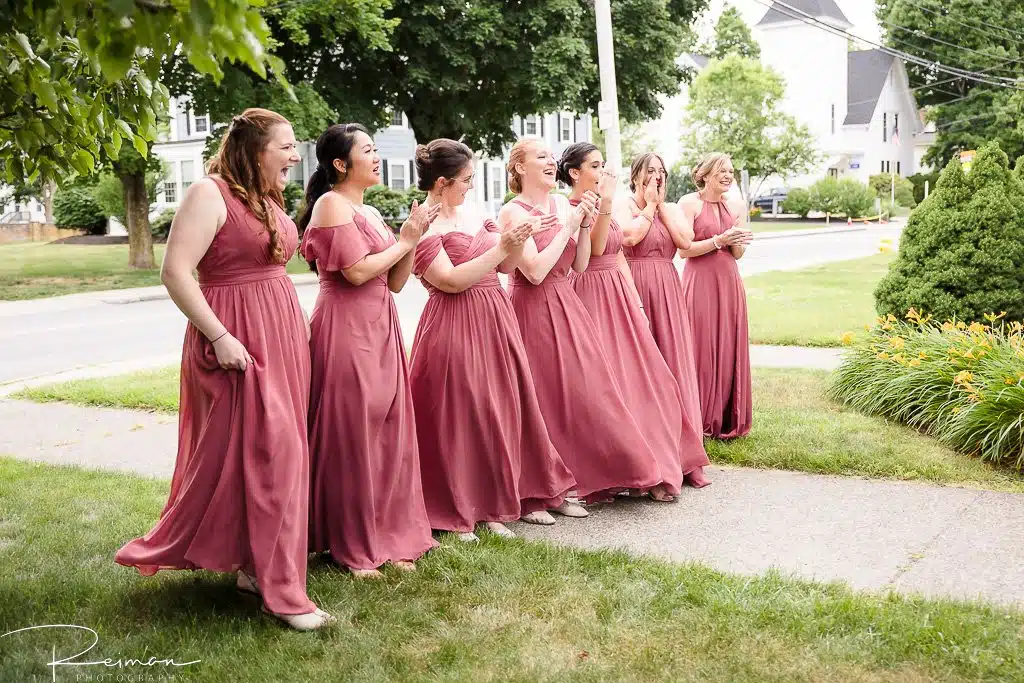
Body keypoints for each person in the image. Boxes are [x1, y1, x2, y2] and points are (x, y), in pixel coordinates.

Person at [115, 108, 334, 631]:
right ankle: (282, 592)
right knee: (268, 454)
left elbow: (271, 268)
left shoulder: (265, 197)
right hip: (233, 337)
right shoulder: (209, 194)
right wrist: (220, 335)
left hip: (278, 336)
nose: (295, 155)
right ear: (256, 149)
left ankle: (256, 568)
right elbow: (176, 272)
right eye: (285, 146)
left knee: (271, 454)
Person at [410, 138, 582, 540]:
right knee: (460, 413)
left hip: (495, 316)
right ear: (441, 182)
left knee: (498, 408)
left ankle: (492, 504)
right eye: (466, 179)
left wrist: (518, 239)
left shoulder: (474, 212)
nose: (471, 186)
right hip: (454, 320)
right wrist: (503, 246)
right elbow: (450, 281)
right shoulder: (424, 223)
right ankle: (457, 507)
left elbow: (506, 265)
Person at [499, 138, 677, 506]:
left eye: (551, 156)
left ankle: (598, 473)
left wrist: (579, 226)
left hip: (567, 298)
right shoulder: (513, 212)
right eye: (541, 157)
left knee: (583, 391)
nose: (551, 162)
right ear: (519, 167)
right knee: (546, 393)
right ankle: (546, 485)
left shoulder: (560, 203)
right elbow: (533, 272)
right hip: (531, 305)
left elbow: (580, 263)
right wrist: (570, 225)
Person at [298, 123, 439, 577]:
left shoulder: (373, 213)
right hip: (345, 328)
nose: (377, 157)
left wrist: (412, 239)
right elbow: (356, 273)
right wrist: (404, 240)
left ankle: (388, 535)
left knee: (387, 431)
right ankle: (351, 544)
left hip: (381, 325)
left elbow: (394, 282)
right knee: (353, 433)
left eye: (377, 149)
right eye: (367, 150)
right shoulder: (331, 204)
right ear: (341, 164)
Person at [560, 142, 686, 499]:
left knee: (647, 380)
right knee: (607, 386)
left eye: (603, 166)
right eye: (596, 166)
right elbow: (596, 250)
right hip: (588, 292)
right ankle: (619, 469)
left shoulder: (605, 205)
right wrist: (606, 203)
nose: (604, 173)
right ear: (575, 173)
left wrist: (637, 304)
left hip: (617, 293)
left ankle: (653, 464)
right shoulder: (571, 207)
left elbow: (617, 256)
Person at [620, 152, 712, 486]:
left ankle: (685, 456)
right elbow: (628, 238)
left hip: (668, 289)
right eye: (650, 171)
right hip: (635, 287)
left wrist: (660, 207)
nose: (657, 177)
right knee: (644, 370)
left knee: (674, 364)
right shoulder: (624, 205)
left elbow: (686, 243)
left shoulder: (671, 209)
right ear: (636, 176)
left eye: (662, 171)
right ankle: (649, 457)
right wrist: (646, 207)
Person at [678, 152, 754, 439]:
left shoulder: (737, 205)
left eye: (731, 171)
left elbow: (738, 253)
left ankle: (725, 416)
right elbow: (684, 250)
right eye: (721, 170)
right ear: (705, 174)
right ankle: (698, 417)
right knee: (700, 343)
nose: (727, 176)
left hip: (729, 281)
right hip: (699, 281)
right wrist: (718, 240)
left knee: (728, 344)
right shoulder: (689, 203)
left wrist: (738, 240)